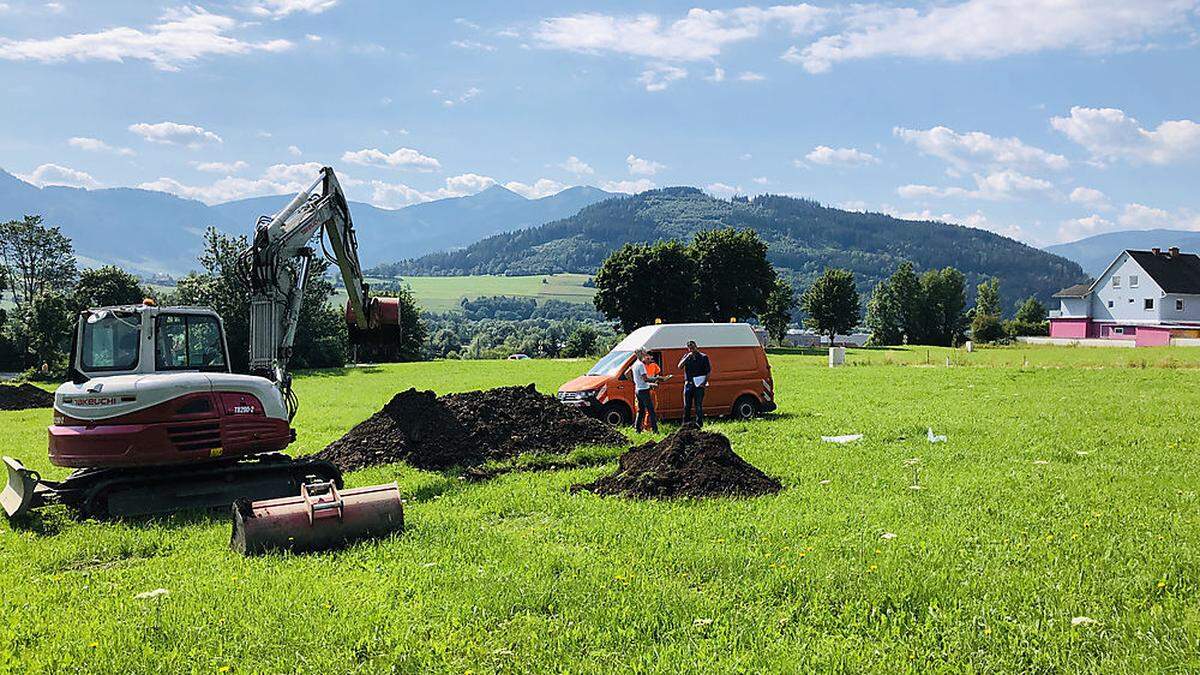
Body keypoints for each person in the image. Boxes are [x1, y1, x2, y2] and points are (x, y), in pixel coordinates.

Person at [630, 349, 666, 433]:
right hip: (644, 390)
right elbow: (645, 379)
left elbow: (639, 380)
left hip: (638, 389)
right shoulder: (641, 365)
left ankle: (637, 429)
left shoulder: (635, 364)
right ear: (640, 354)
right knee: (651, 411)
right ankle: (655, 430)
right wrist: (656, 378)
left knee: (641, 410)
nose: (645, 354)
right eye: (644, 353)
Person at [677, 340, 711, 427]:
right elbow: (679, 366)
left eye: (693, 347)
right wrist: (687, 357)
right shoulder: (687, 357)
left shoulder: (703, 357)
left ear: (696, 346)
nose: (692, 349)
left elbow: (708, 371)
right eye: (690, 348)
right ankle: (685, 425)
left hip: (699, 385)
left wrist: (704, 383)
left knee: (698, 405)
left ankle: (699, 424)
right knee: (687, 406)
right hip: (688, 384)